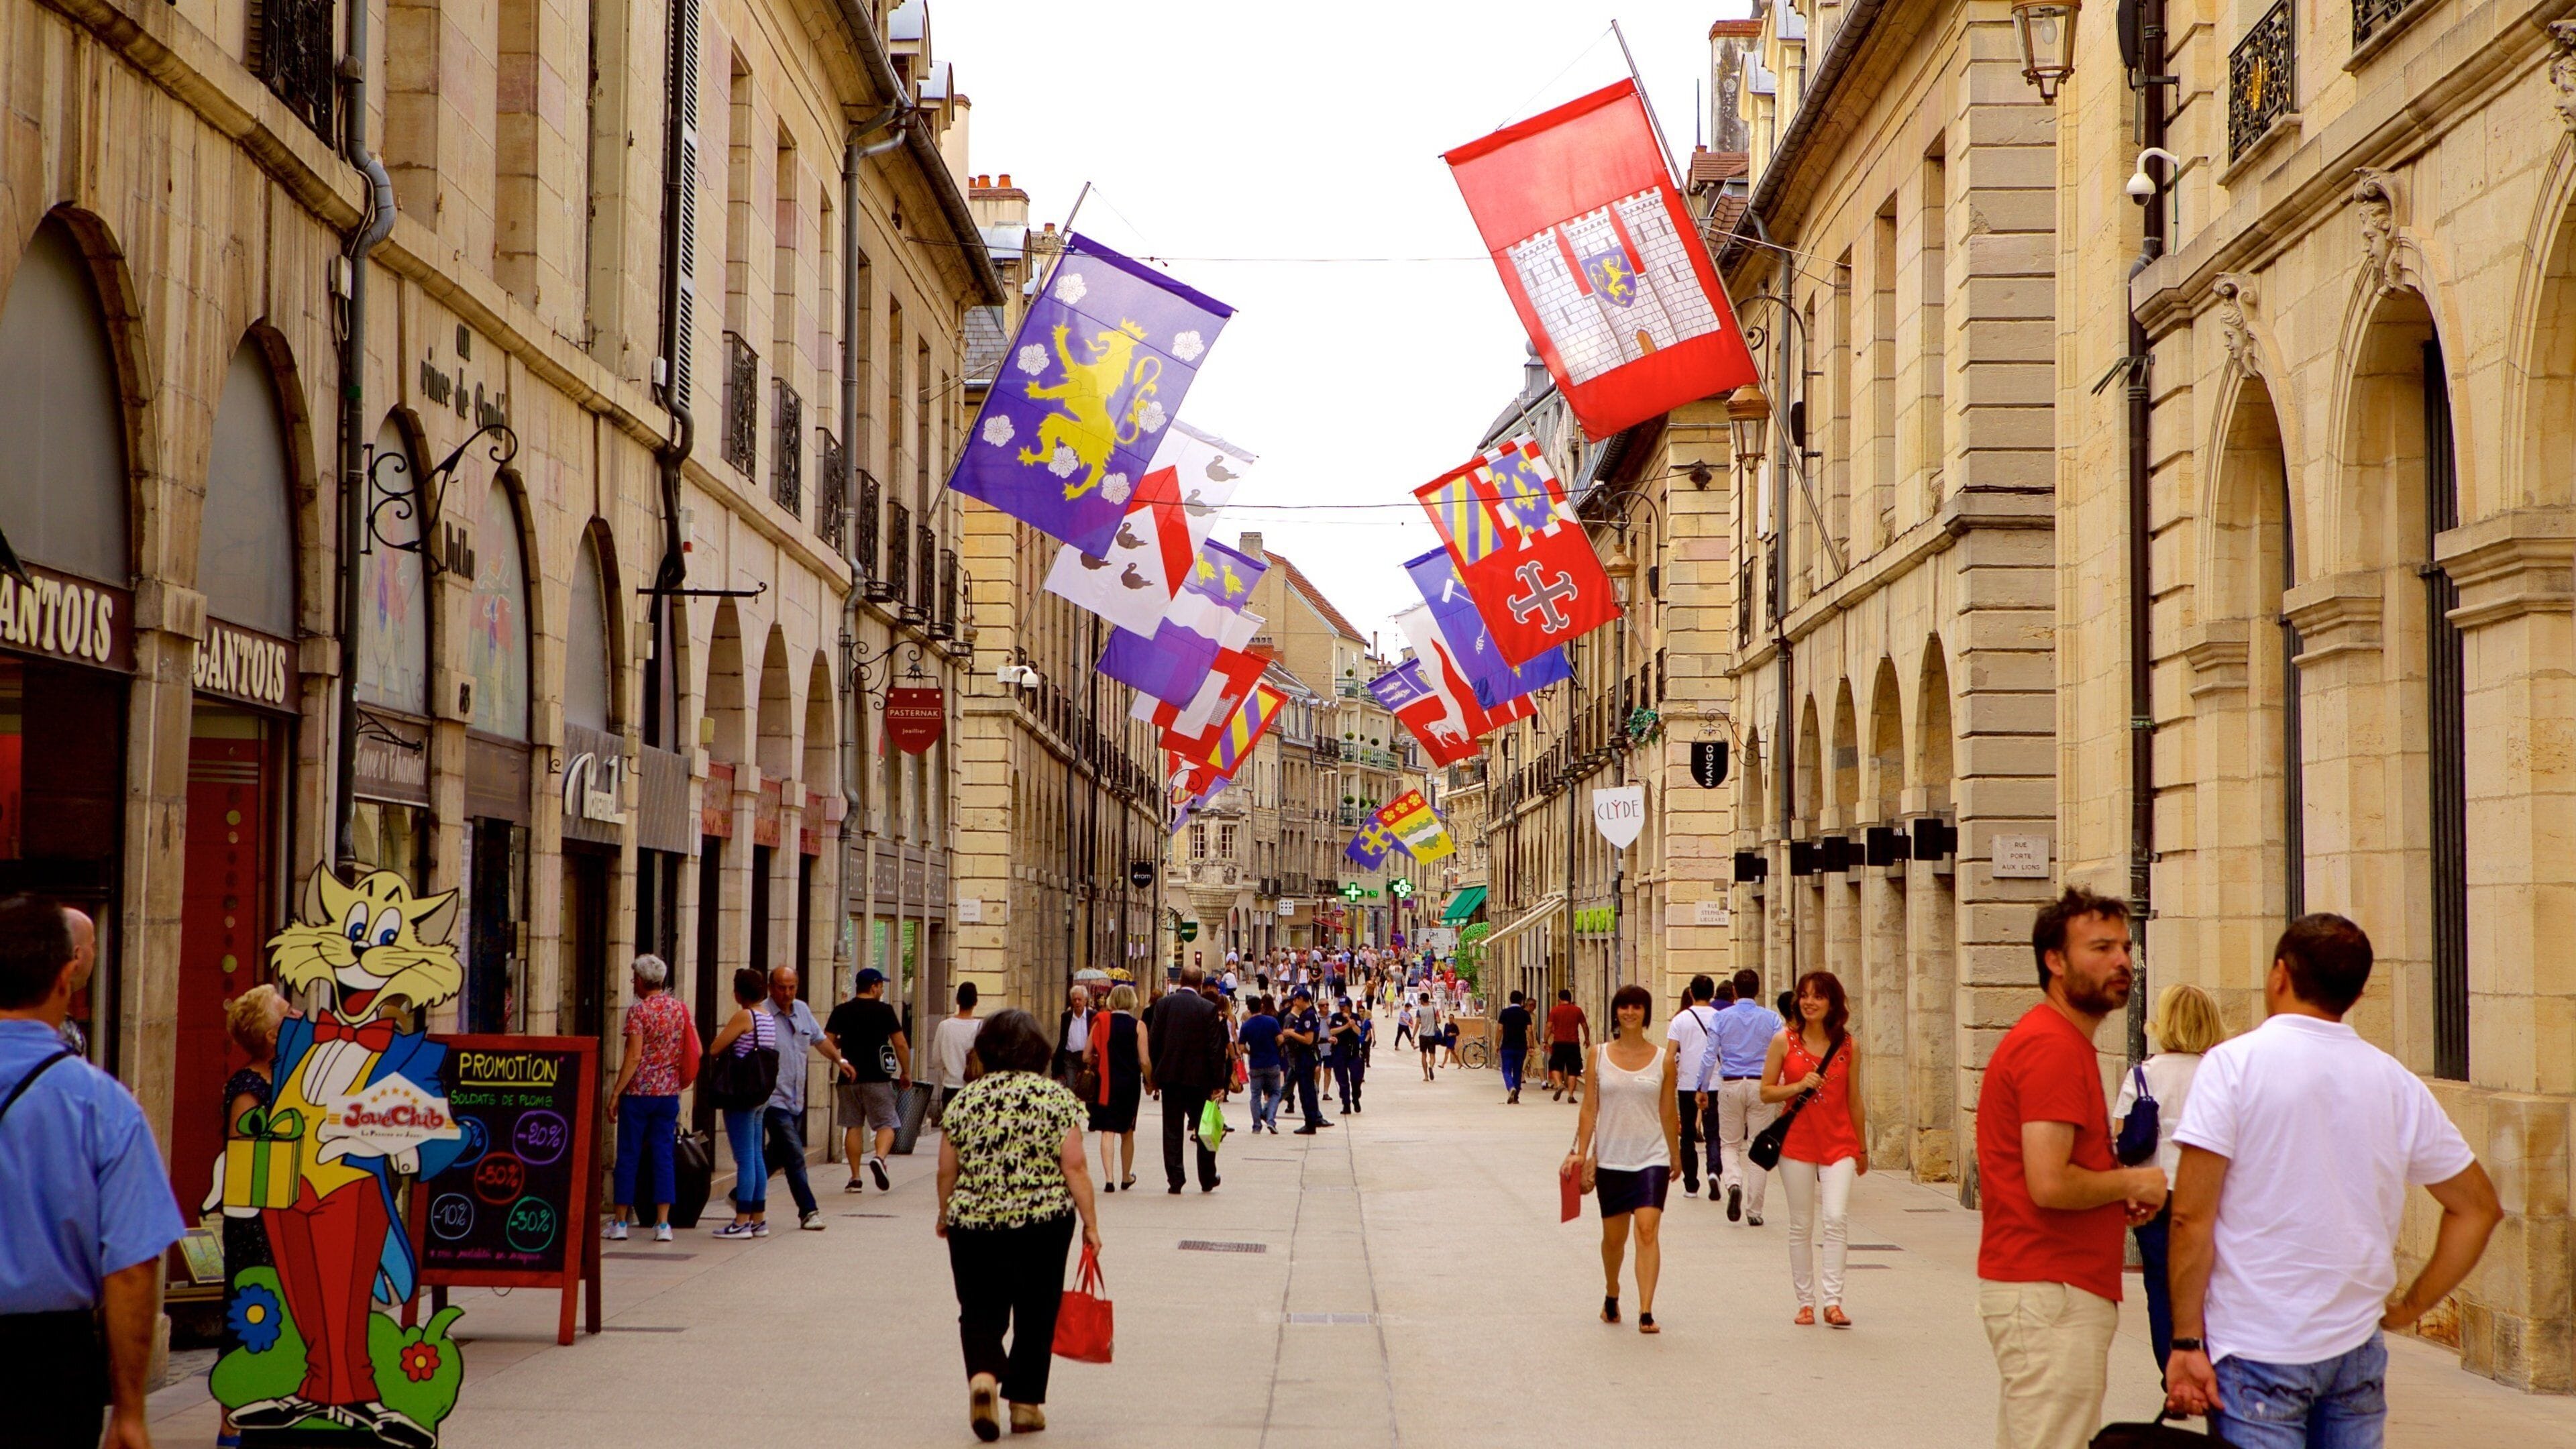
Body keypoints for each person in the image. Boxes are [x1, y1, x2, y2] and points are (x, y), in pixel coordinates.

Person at [2161, 915, 2500, 1448]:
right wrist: (2412, 1305)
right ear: (2359, 993)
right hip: (2354, 1345)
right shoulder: (2393, 1081)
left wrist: (2185, 1338)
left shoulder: (2233, 1066)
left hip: (2256, 1343)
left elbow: (2191, 1216)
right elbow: (2478, 1207)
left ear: (2279, 975)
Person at [1976, 887, 2168, 1449]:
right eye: (2101, 948)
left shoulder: (2060, 1042)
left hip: (2048, 1286)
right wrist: (2135, 1179)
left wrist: (2111, 1194)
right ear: (2054, 962)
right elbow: (2050, 1181)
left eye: (2126, 948)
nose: (2121, 962)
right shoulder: (2052, 1047)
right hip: (2050, 1289)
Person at [0, 896, 186, 1449]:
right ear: (66, 976)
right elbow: (132, 1267)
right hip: (46, 1363)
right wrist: (129, 1410)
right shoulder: (104, 1107)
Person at [936, 1010, 1103, 1442]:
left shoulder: (965, 1101)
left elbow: (946, 1171)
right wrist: (1090, 1224)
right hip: (1043, 1223)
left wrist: (944, 1212)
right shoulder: (1055, 1098)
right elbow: (1076, 1167)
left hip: (974, 1221)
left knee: (977, 1307)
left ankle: (984, 1379)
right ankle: (1026, 1405)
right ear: (1038, 1050)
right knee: (1037, 1309)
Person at [2112, 981, 2225, 1369]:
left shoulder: (2143, 1075)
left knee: (2159, 1284)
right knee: (2211, 1283)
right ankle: (2209, 1361)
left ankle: (2170, 1368)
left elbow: (2120, 1136)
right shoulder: (2221, 1074)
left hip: (2155, 1194)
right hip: (2209, 1194)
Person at [1565, 983, 1678, 1334]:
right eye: (1624, 1007)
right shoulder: (1597, 1055)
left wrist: (1676, 1156)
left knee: (1647, 1230)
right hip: (1612, 1158)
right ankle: (1612, 1293)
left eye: (1638, 1007)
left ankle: (1646, 1310)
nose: (1631, 1012)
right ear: (1616, 1012)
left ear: (1646, 1013)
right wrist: (1582, 1153)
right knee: (1614, 1239)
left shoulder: (1664, 1059)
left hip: (1652, 1156)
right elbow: (1589, 1108)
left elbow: (1667, 1110)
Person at [1762, 970, 1868, 1328]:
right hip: (1797, 1143)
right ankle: (1806, 1302)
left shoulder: (1848, 1045)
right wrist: (1796, 1087)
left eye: (1818, 996)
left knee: (1836, 1219)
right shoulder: (1783, 1042)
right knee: (1801, 1225)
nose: (1809, 1002)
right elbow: (1765, 1092)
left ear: (1832, 1003)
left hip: (1839, 1143)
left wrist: (1862, 1147)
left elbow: (1854, 1099)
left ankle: (1833, 1302)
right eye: (1805, 996)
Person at [608, 955, 691, 1240]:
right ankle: (663, 1223)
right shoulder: (679, 1010)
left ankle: (620, 1222)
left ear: (642, 981)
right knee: (663, 1155)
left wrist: (616, 1092)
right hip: (668, 1093)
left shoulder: (638, 1012)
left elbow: (633, 1056)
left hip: (639, 1093)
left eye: (635, 980)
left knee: (629, 1154)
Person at [760, 966, 847, 1232]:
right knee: (795, 1155)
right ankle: (808, 1211)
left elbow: (820, 1040)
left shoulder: (802, 1010)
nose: (787, 994)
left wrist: (839, 1060)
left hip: (796, 1097)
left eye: (792, 987)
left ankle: (742, 1194)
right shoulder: (761, 1014)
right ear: (770, 987)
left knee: (778, 1154)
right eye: (781, 987)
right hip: (771, 1099)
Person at [708, 967, 779, 1238]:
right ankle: (758, 1217)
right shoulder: (767, 1017)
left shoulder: (744, 1016)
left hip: (742, 1095)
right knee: (756, 1155)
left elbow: (715, 1047)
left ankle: (741, 1221)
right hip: (761, 1095)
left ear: (740, 992)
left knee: (745, 1159)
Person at [826, 967, 910, 1193]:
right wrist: (906, 1072)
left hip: (849, 1078)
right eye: (881, 986)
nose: (882, 990)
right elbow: (900, 1043)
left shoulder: (841, 1011)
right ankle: (879, 1158)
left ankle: (855, 1178)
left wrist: (841, 1060)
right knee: (887, 1124)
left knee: (853, 1125)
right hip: (877, 1077)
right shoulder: (884, 1011)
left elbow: (827, 1041)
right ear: (873, 987)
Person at [1146, 965, 1228, 1194]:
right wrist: (1218, 1083)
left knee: (1172, 1128)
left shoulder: (1164, 1005)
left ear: (1180, 981)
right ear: (1200, 984)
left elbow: (1154, 1041)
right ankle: (1207, 1177)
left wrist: (1154, 1075)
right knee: (1205, 1128)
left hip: (1170, 1078)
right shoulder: (1208, 1008)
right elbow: (1215, 1048)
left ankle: (1175, 1178)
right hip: (1199, 1080)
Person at [1713, 967, 1785, 1221]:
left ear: (1734, 991)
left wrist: (1701, 1087)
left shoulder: (1721, 1018)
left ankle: (1733, 1183)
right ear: (1757, 990)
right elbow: (1781, 1053)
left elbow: (1710, 1054)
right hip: (1761, 1086)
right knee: (1758, 1146)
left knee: (1730, 1144)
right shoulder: (1772, 1019)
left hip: (1731, 1084)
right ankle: (1755, 1212)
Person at [1665, 975, 1723, 1197]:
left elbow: (1670, 1055)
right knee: (1713, 1131)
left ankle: (1691, 1184)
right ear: (1712, 993)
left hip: (1688, 1082)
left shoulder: (1681, 1020)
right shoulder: (1720, 1018)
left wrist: (1670, 1082)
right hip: (1715, 1082)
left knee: (1688, 1134)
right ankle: (1714, 1171)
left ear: (1691, 992)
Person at [1086, 983, 1145, 1191]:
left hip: (1106, 1083)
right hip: (1128, 1084)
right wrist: (1150, 1081)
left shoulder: (1100, 1023)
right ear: (1131, 1001)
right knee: (1127, 1131)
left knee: (1108, 1131)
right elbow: (1145, 1060)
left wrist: (1098, 1059)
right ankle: (1126, 1176)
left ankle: (1109, 1179)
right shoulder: (1138, 1026)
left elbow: (1086, 1055)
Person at [931, 981, 983, 1129]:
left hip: (951, 1088)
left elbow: (936, 1060)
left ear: (957, 1001)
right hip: (975, 1089)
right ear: (976, 1002)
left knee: (952, 1135)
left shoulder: (945, 1026)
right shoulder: (981, 1028)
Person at [1281, 988, 1332, 1133]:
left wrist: (1291, 1032)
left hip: (1305, 1058)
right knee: (1306, 1090)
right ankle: (1310, 1121)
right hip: (1304, 1057)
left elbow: (1309, 1040)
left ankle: (1310, 1124)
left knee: (1306, 1091)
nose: (1295, 1003)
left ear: (1302, 999)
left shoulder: (1309, 1015)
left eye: (1296, 999)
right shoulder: (1310, 1014)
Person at [1240, 996, 1285, 1133]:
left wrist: (1250, 1052)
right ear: (1261, 1007)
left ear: (1249, 1009)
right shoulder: (1271, 1021)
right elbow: (1280, 1039)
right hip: (1272, 1061)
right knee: (1275, 1093)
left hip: (1256, 1063)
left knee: (1255, 1095)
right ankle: (1270, 1119)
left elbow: (1241, 1048)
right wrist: (1275, 1047)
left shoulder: (1247, 1025)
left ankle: (1256, 1125)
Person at [1546, 989, 1589, 1102]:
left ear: (1559, 999)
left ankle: (1559, 1084)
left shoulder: (1555, 1011)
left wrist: (1545, 1041)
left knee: (1555, 1065)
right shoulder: (1577, 1010)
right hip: (1573, 1044)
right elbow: (1585, 1026)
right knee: (1573, 1071)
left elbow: (1549, 1026)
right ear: (1570, 999)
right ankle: (1570, 1095)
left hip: (1559, 1043)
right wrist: (1587, 1039)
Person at [1495, 990, 1534, 1104]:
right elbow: (1530, 1031)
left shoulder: (1505, 1013)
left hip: (1507, 1046)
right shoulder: (1525, 1014)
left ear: (1510, 1000)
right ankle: (1516, 1096)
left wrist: (1497, 1043)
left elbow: (1500, 1029)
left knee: (1506, 1070)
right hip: (1521, 1047)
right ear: (1522, 1001)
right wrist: (1531, 1045)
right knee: (1518, 1071)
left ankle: (1510, 1087)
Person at [1330, 1002, 1365, 1114]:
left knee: (1356, 1078)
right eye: (1340, 1005)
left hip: (1353, 1052)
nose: (1342, 1007)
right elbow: (1333, 1031)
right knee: (1342, 1080)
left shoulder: (1355, 1017)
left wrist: (1352, 1024)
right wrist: (1346, 1026)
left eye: (1344, 1005)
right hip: (1340, 1051)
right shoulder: (1336, 1017)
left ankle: (1356, 1098)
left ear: (1349, 1006)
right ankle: (1346, 1104)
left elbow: (1359, 1032)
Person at [1052, 984, 1091, 1085]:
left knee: (1087, 1088)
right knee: (1071, 1086)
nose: (1077, 1002)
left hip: (1087, 1058)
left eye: (1079, 999)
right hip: (1070, 1058)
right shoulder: (1066, 1017)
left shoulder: (1093, 1016)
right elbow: (1063, 1039)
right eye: (1074, 1000)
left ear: (1085, 1000)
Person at [1414, 992, 1442, 1081]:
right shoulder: (1434, 1009)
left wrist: (1413, 1036)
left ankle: (1426, 1076)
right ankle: (1431, 1066)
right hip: (1432, 1035)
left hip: (1423, 1035)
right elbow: (1439, 1020)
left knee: (1423, 1055)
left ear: (1422, 1000)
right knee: (1432, 1055)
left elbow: (1417, 1024)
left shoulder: (1419, 1010)